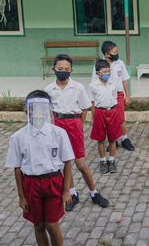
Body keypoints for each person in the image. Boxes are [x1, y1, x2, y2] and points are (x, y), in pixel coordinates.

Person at [5, 90, 73, 246]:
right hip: (31, 184)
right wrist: (21, 196)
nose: (38, 114)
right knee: (39, 224)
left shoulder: (58, 133)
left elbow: (67, 162)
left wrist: (66, 190)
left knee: (52, 225)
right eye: (34, 110)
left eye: (43, 109)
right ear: (27, 112)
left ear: (49, 111)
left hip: (53, 182)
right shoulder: (18, 137)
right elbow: (17, 168)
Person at [44, 54, 109, 210]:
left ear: (71, 70)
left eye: (67, 69)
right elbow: (47, 112)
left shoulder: (78, 87)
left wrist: (78, 125)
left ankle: (94, 192)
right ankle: (72, 193)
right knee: (65, 162)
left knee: (80, 164)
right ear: (53, 69)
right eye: (60, 69)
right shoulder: (48, 90)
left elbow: (85, 108)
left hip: (74, 124)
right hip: (57, 125)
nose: (63, 71)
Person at [90, 41, 135, 151]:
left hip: (118, 95)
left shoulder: (120, 63)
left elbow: (125, 79)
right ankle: (113, 141)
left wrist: (127, 95)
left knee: (120, 119)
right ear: (107, 54)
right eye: (114, 52)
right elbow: (94, 83)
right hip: (104, 97)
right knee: (110, 120)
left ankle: (124, 139)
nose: (116, 54)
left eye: (117, 51)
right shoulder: (99, 65)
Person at [89, 59, 122, 174]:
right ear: (98, 73)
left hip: (112, 112)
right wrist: (94, 118)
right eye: (104, 71)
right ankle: (103, 161)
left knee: (113, 138)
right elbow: (93, 104)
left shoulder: (114, 83)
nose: (107, 74)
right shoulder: (93, 86)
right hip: (99, 112)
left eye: (108, 71)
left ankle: (111, 160)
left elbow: (115, 98)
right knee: (101, 139)